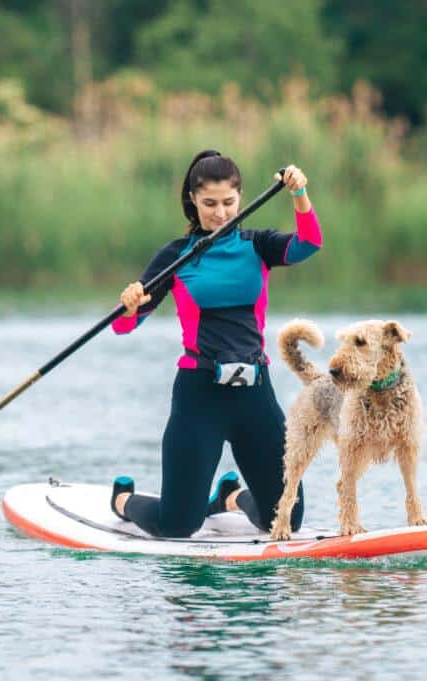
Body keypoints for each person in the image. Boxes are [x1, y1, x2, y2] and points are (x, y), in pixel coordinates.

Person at [109, 150, 322, 538]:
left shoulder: (258, 246)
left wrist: (299, 192)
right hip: (199, 396)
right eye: (209, 204)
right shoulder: (176, 258)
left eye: (229, 202)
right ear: (193, 200)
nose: (220, 213)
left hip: (254, 394)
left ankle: (229, 497)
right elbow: (125, 326)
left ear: (240, 197)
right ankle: (123, 500)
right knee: (178, 525)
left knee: (286, 520)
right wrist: (127, 307)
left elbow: (309, 242)